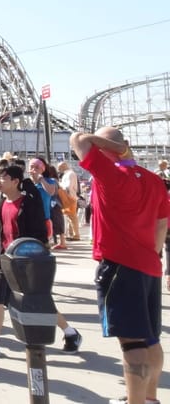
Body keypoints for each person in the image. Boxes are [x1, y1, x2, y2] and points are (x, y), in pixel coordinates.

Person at [70, 127, 170, 404]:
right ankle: (148, 398)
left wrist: (117, 150)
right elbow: (162, 224)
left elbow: (78, 138)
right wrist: (152, 252)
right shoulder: (154, 180)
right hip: (148, 264)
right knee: (150, 338)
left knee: (132, 341)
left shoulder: (110, 172)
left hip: (118, 266)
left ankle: (135, 402)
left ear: (106, 150)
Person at [0, 164, 82, 357]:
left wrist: (34, 258)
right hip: (5, 261)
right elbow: (1, 233)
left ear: (15, 182)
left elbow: (39, 232)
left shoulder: (28, 202)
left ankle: (70, 333)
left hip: (26, 262)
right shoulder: (3, 203)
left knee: (37, 302)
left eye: (3, 178)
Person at [56, 161, 81, 240]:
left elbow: (68, 187)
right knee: (70, 216)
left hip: (70, 197)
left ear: (63, 166)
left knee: (72, 217)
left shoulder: (70, 174)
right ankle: (72, 234)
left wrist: (59, 185)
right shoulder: (69, 174)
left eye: (59, 168)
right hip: (70, 197)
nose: (58, 169)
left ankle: (76, 235)